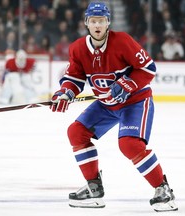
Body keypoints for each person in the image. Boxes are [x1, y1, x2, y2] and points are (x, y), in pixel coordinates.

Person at [50, 2, 178, 212]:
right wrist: (65, 92)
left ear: (108, 22)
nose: (97, 24)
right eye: (93, 21)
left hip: (135, 102)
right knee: (76, 132)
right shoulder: (78, 48)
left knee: (129, 144)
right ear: (87, 23)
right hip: (106, 104)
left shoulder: (123, 42)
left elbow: (148, 68)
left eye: (101, 20)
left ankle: (163, 190)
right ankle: (94, 189)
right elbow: (74, 77)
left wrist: (126, 84)